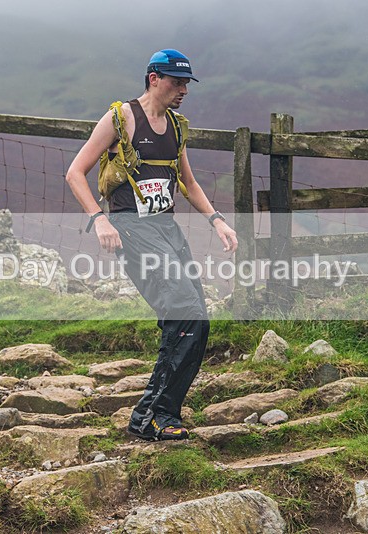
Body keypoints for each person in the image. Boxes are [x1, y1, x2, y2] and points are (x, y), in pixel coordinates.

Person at [65, 49, 237, 440]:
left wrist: (217, 221)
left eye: (187, 84)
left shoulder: (176, 126)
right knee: (185, 312)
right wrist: (99, 219)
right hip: (131, 228)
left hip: (166, 229)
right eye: (177, 82)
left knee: (195, 320)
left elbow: (188, 183)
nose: (183, 90)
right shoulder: (121, 118)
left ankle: (157, 414)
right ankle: (153, 416)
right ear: (154, 79)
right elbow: (75, 172)